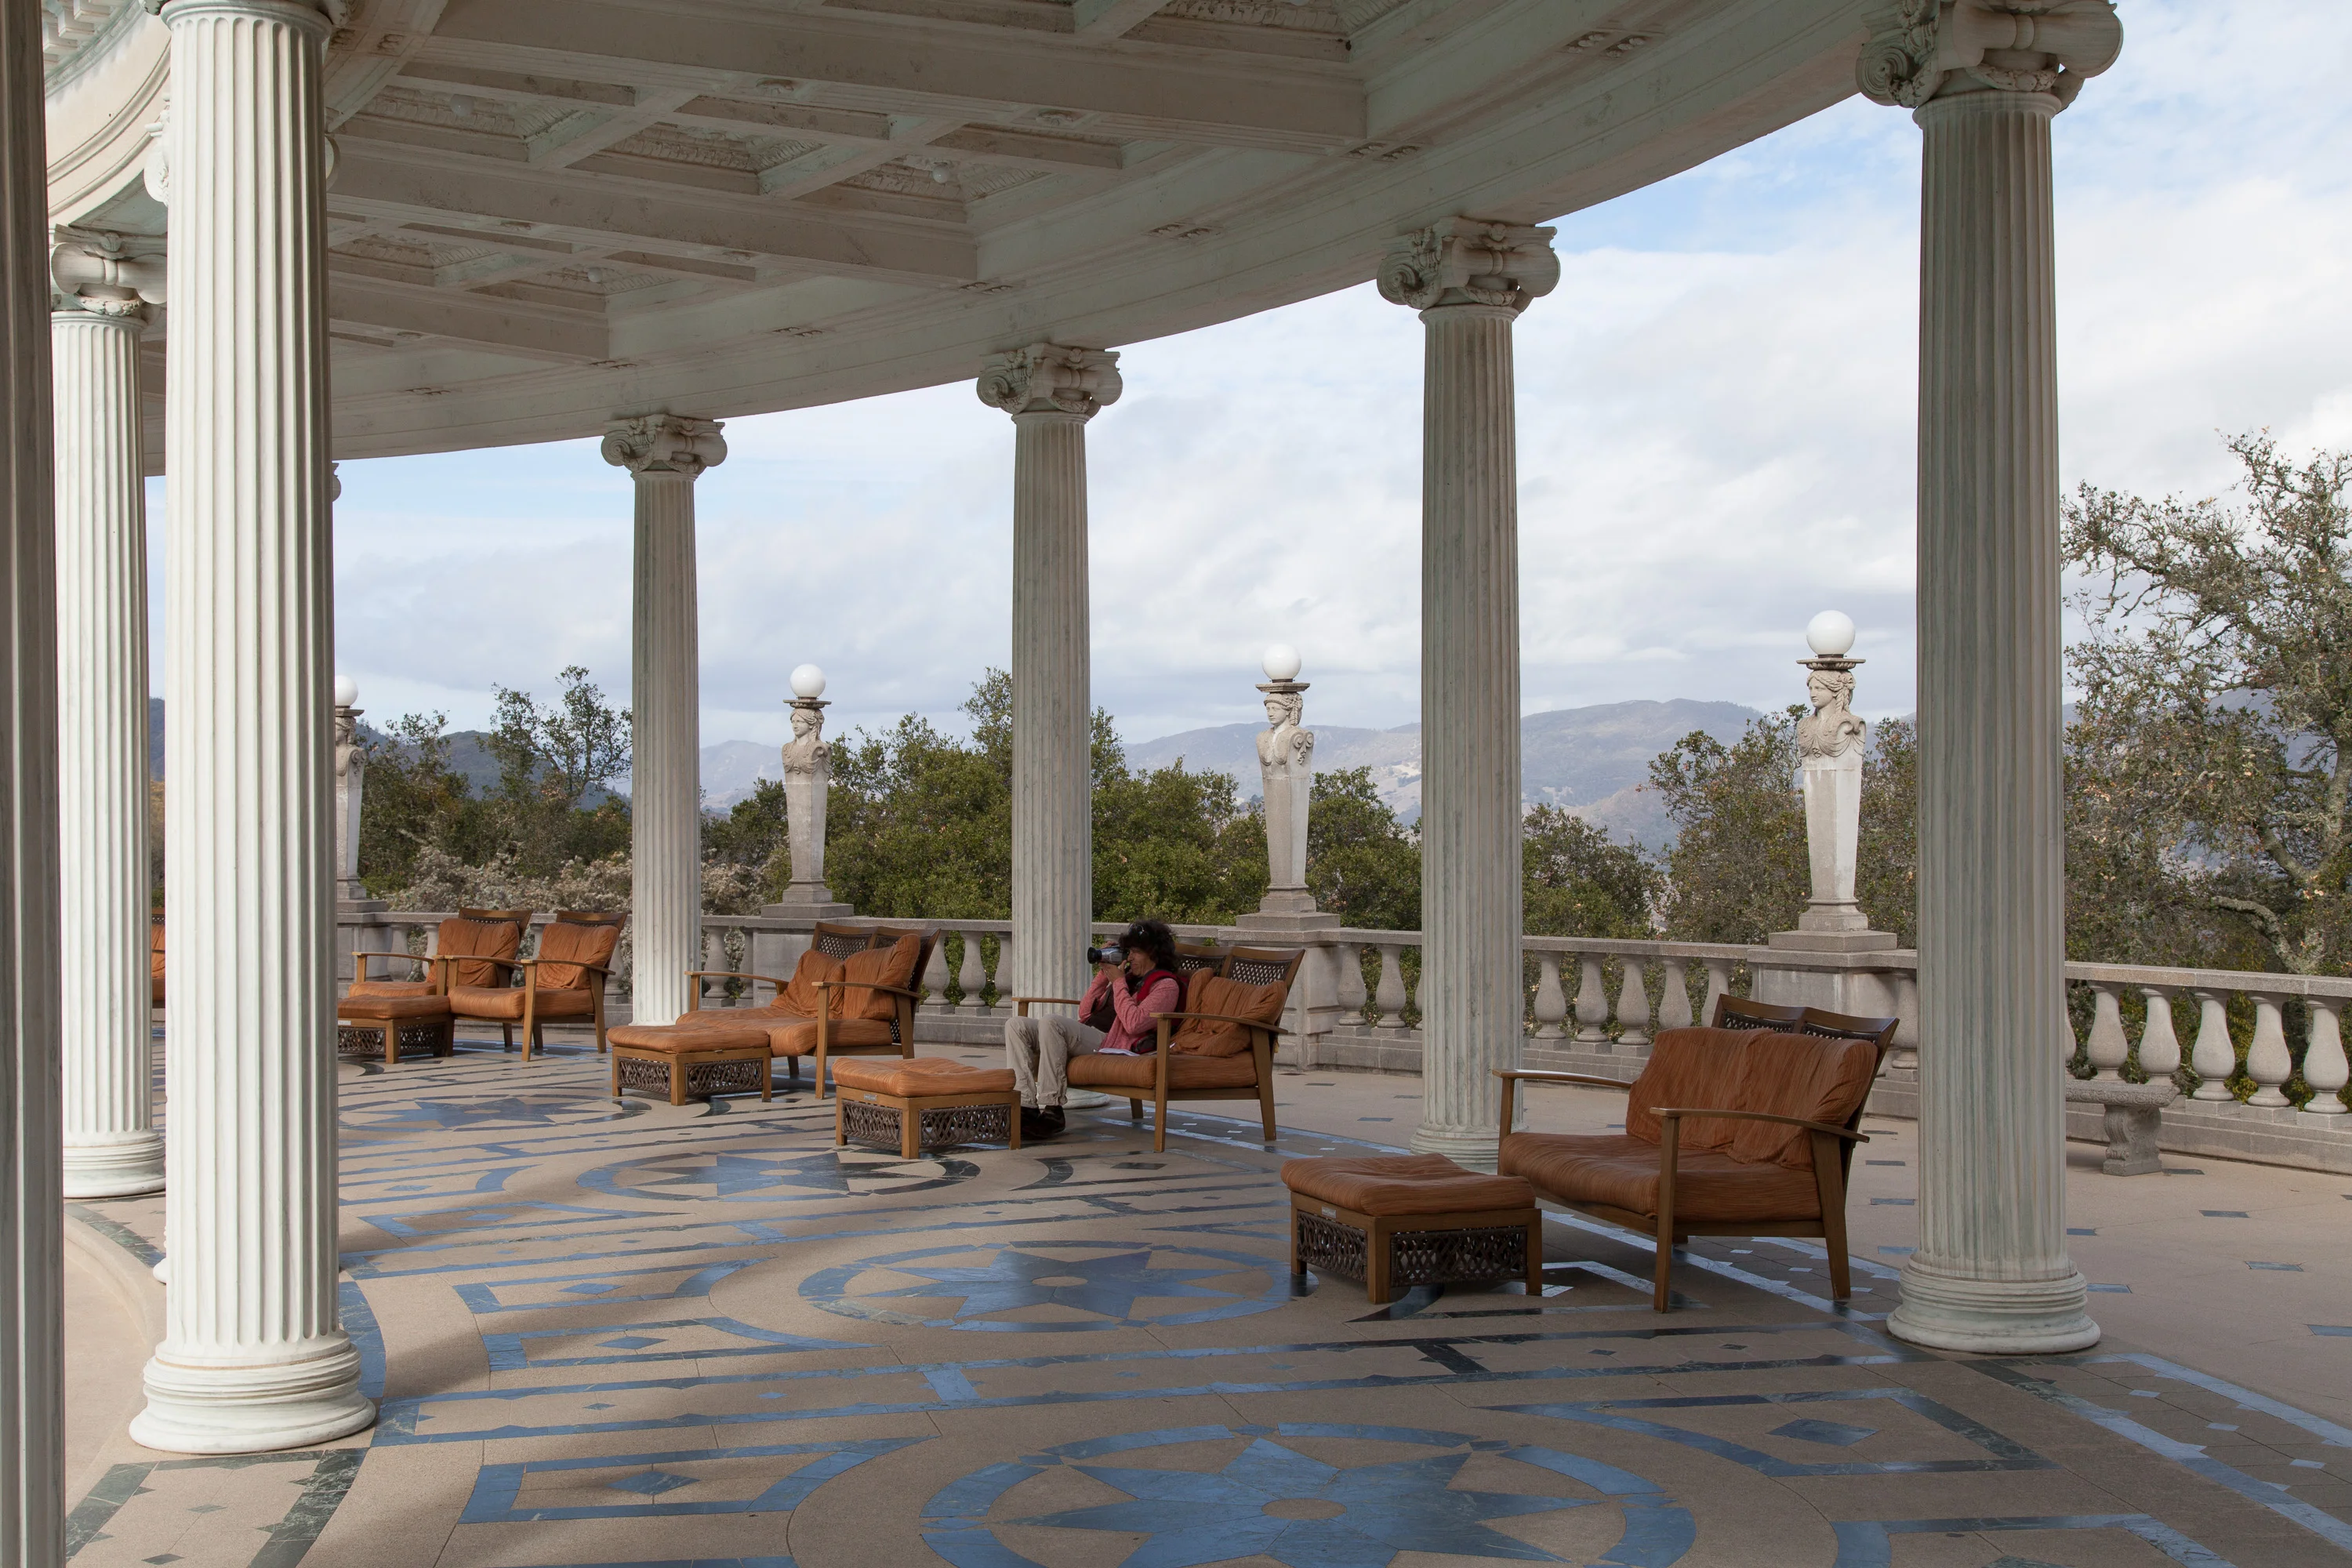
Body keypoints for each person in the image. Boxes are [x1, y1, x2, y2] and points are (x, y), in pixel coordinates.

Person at [1004, 918, 1184, 1140]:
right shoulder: (1127, 977)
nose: (1130, 957)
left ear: (1154, 954)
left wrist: (1118, 983)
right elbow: (1085, 1012)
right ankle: (1025, 1108)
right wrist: (1104, 975)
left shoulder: (1166, 985)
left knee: (1052, 1022)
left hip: (1113, 1042)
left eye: (1136, 952)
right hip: (1090, 1033)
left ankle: (1053, 1111)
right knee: (1016, 1025)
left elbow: (1134, 1023)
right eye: (1129, 951)